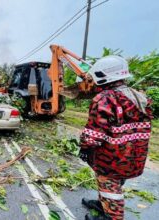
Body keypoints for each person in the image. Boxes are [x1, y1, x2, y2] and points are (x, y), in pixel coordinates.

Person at [79, 56, 153, 220]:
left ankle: (112, 216)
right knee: (115, 182)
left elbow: (94, 133)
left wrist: (84, 148)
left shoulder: (104, 98)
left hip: (111, 156)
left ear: (103, 75)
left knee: (109, 185)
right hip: (134, 154)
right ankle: (102, 204)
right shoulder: (138, 96)